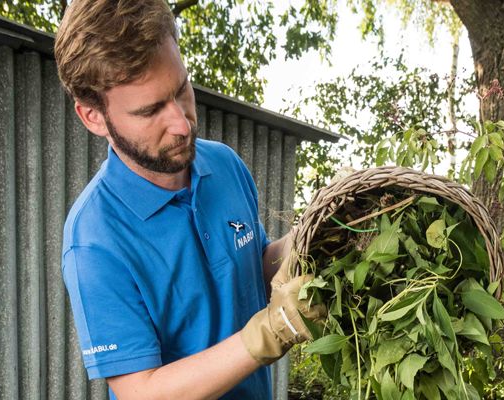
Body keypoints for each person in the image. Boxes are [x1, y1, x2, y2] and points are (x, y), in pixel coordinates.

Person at [55, 1, 326, 399]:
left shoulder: (223, 164)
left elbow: (253, 269)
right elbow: (141, 392)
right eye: (150, 111)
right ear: (93, 116)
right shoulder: (94, 239)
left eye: (182, 90)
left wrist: (312, 239)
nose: (183, 124)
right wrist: (265, 335)